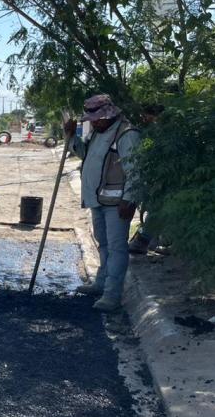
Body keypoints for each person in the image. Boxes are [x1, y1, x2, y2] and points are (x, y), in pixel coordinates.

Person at [64, 94, 141, 312]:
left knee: (117, 248)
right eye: (92, 119)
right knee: (104, 244)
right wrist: (70, 136)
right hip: (98, 200)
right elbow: (83, 154)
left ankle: (112, 296)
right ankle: (101, 283)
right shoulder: (99, 133)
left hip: (117, 203)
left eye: (97, 118)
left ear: (109, 115)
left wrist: (129, 199)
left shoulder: (126, 134)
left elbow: (136, 172)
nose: (94, 122)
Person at [128, 104, 165, 254]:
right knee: (154, 210)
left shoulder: (163, 133)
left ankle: (143, 241)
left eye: (147, 117)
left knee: (156, 210)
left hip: (162, 179)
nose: (144, 120)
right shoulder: (151, 132)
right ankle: (149, 240)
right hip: (154, 178)